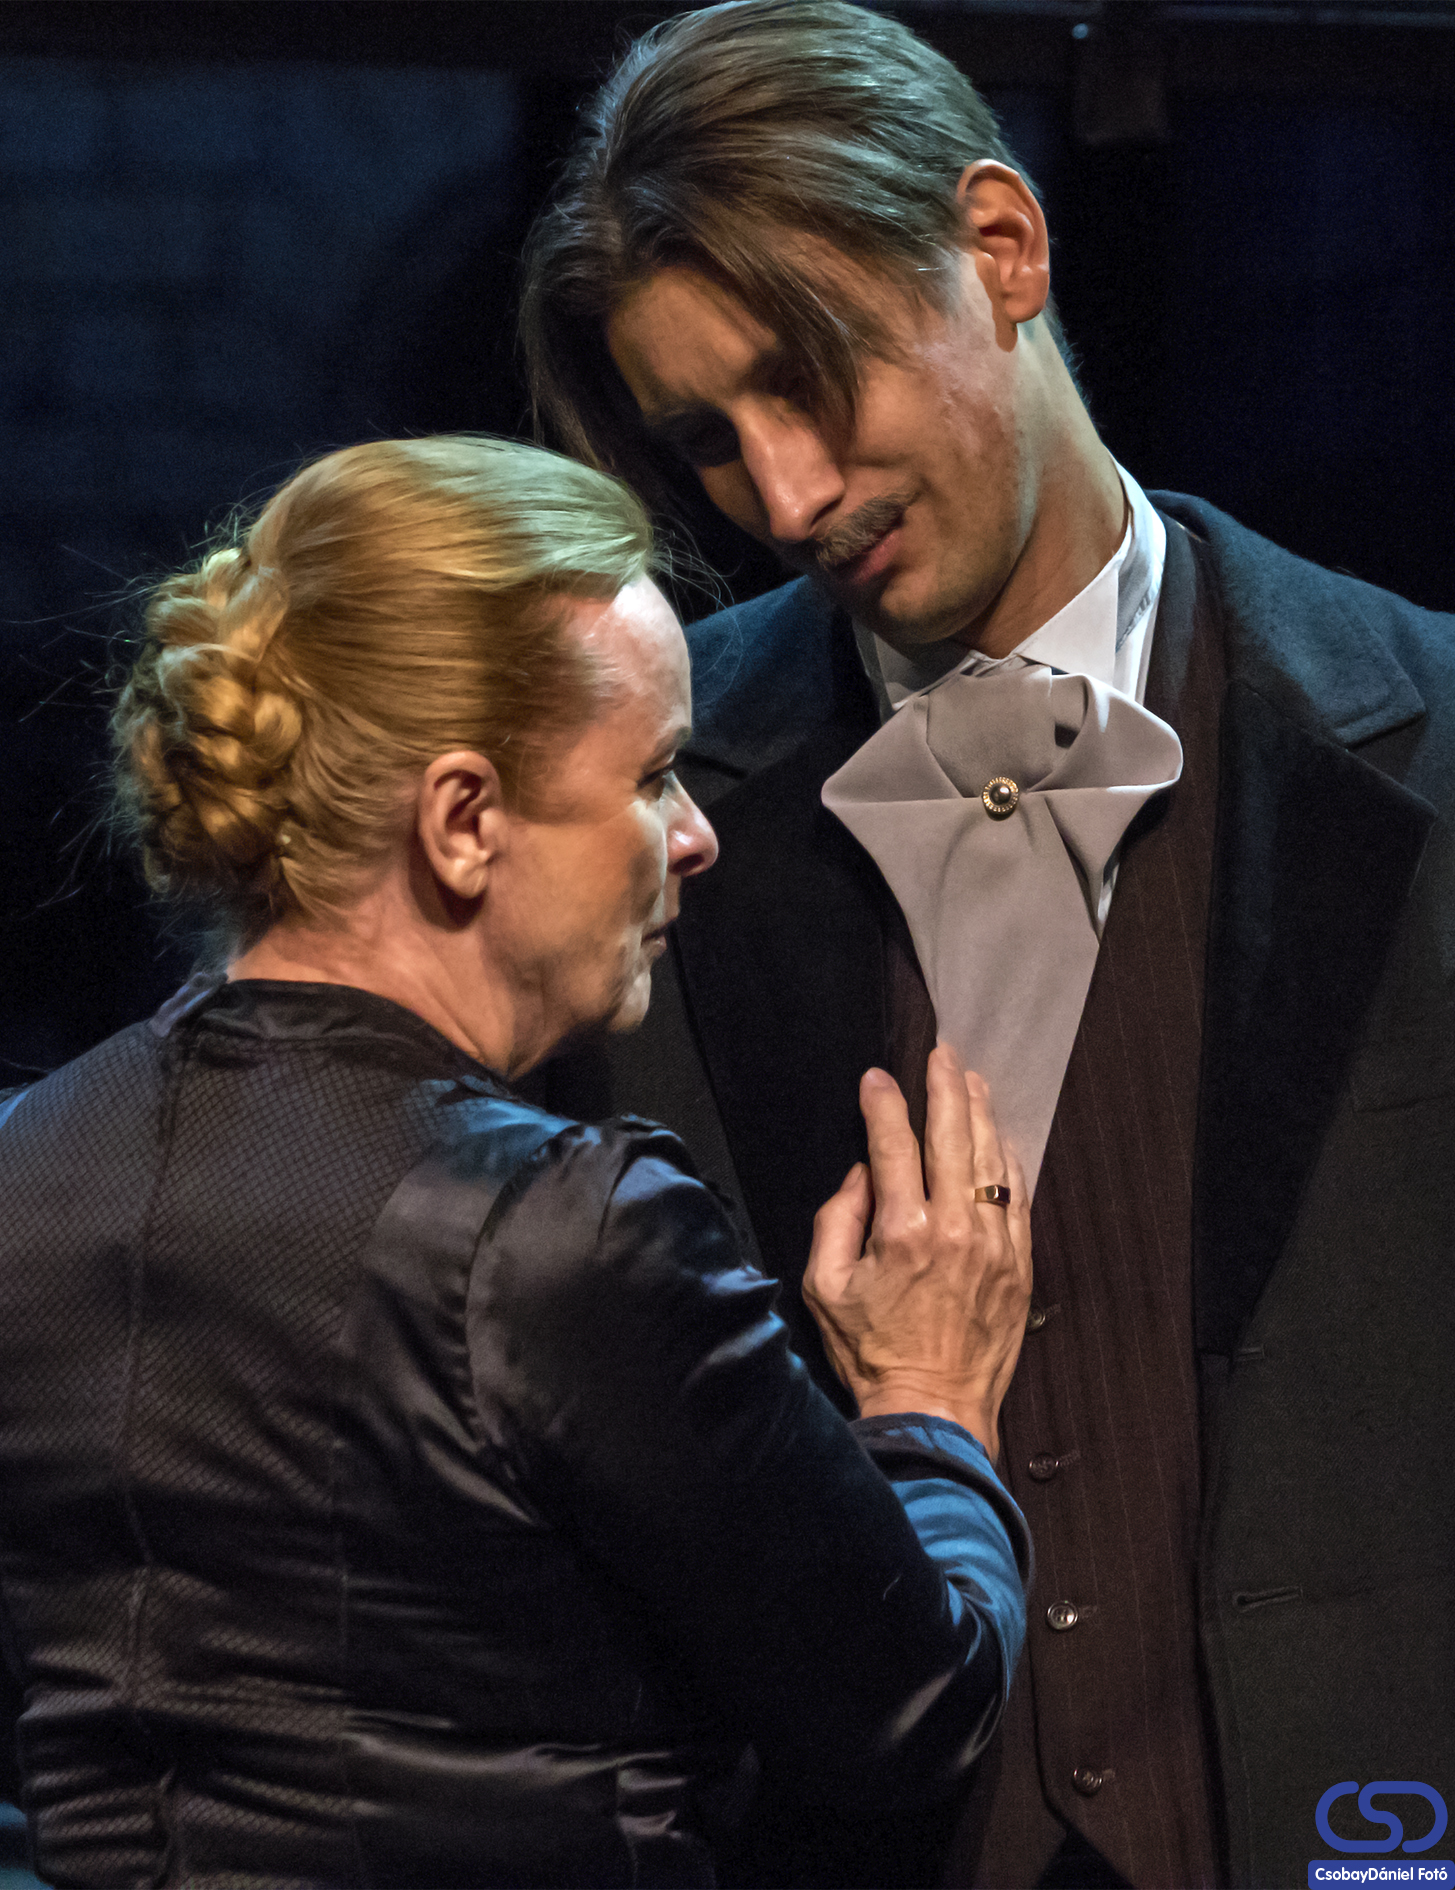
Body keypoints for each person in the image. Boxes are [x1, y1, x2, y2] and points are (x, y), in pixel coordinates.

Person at [518, 5, 1455, 1888]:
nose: (785, 499)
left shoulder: (1428, 735)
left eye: (809, 377)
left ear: (1003, 247)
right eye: (709, 442)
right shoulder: (639, 807)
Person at [0, 436, 1035, 1888]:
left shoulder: (24, 1166)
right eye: (654, 776)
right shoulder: (562, 1238)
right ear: (464, 820)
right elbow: (911, 1712)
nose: (696, 836)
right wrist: (931, 1409)